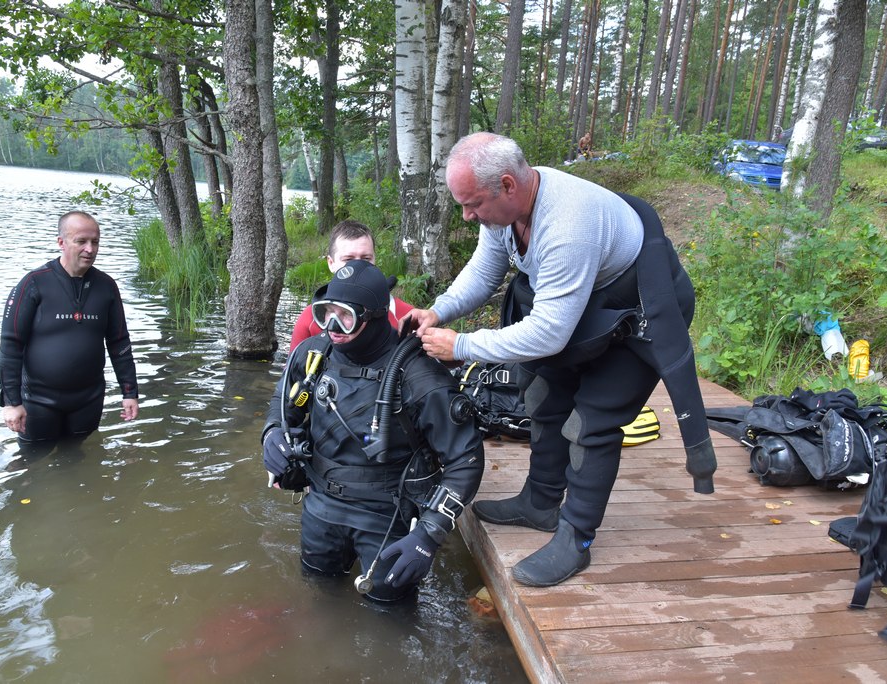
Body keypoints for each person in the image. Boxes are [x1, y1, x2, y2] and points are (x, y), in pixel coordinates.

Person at [403, 132, 716, 587]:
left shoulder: (567, 224)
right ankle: (540, 502)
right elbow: (485, 270)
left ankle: (576, 539)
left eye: (473, 205)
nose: (468, 215)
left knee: (591, 424)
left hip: (641, 314)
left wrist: (462, 346)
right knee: (543, 396)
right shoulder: (502, 216)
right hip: (589, 306)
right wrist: (439, 310)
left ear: (508, 185)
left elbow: (550, 333)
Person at [264, 260, 484, 602]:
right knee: (317, 596)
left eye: (345, 316)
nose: (332, 327)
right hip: (321, 506)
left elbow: (464, 460)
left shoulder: (419, 377)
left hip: (387, 515)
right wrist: (272, 434)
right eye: (325, 313)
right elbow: (284, 402)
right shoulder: (313, 356)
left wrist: (428, 536)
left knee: (388, 614)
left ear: (375, 315)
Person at [0, 210, 139, 446]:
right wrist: (12, 402)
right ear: (61, 243)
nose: (90, 249)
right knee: (33, 467)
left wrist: (130, 393)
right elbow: (10, 345)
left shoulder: (106, 286)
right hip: (38, 400)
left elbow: (119, 343)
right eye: (81, 241)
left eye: (95, 242)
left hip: (88, 400)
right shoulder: (34, 283)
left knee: (78, 461)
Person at [289, 220, 414, 351]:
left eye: (366, 259)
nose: (358, 267)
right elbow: (293, 368)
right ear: (331, 263)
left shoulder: (406, 316)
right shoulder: (311, 318)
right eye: (348, 260)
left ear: (375, 260)